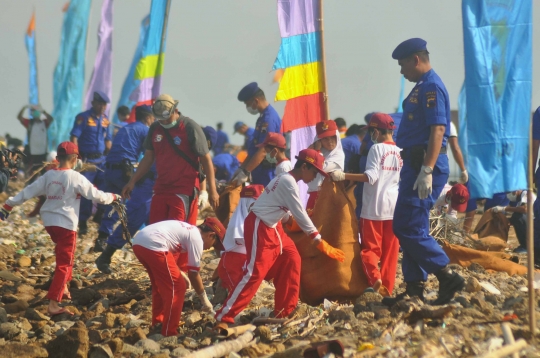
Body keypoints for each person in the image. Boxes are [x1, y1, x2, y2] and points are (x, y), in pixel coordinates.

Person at [214, 149, 346, 330]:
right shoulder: (287, 181)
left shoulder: (286, 180)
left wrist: (290, 221)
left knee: (292, 258)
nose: (314, 177)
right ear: (305, 166)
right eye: (314, 172)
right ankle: (224, 316)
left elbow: (279, 208)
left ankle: (284, 311)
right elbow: (299, 213)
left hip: (273, 227)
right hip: (260, 227)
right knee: (255, 273)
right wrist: (318, 240)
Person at [384, 38, 464, 307]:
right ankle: (415, 288)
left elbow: (438, 130)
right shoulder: (422, 86)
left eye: (402, 63)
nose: (401, 70)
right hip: (415, 164)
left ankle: (446, 273)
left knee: (406, 226)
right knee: (412, 227)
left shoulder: (431, 87)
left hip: (424, 165)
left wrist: (427, 170)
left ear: (415, 59)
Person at [0, 142, 120, 316]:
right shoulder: (75, 177)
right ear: (75, 159)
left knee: (65, 255)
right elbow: (97, 196)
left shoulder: (49, 175)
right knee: (65, 263)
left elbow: (29, 191)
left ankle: (63, 287)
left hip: (50, 223)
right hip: (66, 225)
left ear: (57, 159)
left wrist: (8, 205)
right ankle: (54, 304)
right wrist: (114, 197)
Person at [331, 113, 402, 294]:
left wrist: (343, 175)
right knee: (391, 253)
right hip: (394, 208)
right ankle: (387, 287)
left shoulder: (376, 149)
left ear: (376, 131)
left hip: (374, 208)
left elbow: (370, 177)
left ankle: (375, 278)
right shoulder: (400, 151)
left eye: (371, 131)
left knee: (370, 250)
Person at [122, 94, 219, 225]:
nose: (164, 122)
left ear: (175, 111)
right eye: (161, 119)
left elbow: (206, 160)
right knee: (156, 230)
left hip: (184, 190)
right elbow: (148, 158)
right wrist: (132, 181)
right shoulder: (155, 128)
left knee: (178, 231)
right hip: (161, 188)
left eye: (166, 118)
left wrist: (211, 191)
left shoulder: (190, 127)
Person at [132, 217, 225, 336]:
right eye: (214, 244)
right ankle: (169, 332)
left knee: (160, 285)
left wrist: (178, 271)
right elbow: (193, 273)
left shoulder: (189, 230)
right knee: (178, 287)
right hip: (154, 244)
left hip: (139, 242)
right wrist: (204, 299)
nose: (209, 248)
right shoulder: (197, 238)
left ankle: (158, 323)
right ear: (211, 235)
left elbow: (168, 252)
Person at [93, 105, 155, 252]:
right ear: (147, 118)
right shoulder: (146, 130)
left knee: (115, 203)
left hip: (110, 169)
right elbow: (149, 156)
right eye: (153, 118)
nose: (154, 121)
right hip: (124, 171)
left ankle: (102, 238)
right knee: (140, 202)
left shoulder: (125, 128)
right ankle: (145, 235)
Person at [95, 164, 157, 274]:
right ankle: (106, 256)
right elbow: (148, 157)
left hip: (170, 186)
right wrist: (132, 181)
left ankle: (159, 268)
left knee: (158, 225)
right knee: (133, 219)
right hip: (149, 183)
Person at [70, 91, 112, 235]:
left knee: (106, 187)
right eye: (100, 103)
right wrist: (75, 157)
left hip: (102, 161)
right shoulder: (83, 118)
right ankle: (83, 222)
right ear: (93, 103)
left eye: (104, 104)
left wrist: (111, 154)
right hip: (87, 161)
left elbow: (108, 141)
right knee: (86, 193)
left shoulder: (106, 119)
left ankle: (100, 214)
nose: (102, 107)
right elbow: (74, 136)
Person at [231, 83, 282, 187]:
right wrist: (242, 168)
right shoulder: (261, 118)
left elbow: (264, 150)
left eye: (248, 104)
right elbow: (254, 149)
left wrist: (245, 172)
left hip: (267, 172)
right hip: (258, 170)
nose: (247, 107)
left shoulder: (269, 119)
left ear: (256, 100)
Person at [217, 184, 264, 291]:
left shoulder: (256, 219)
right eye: (254, 203)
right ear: (245, 203)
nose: (257, 207)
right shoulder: (236, 224)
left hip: (247, 264)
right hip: (234, 264)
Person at [306, 120, 345, 210]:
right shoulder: (318, 152)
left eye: (332, 137)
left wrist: (317, 152)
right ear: (319, 140)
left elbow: (321, 167)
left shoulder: (338, 154)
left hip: (329, 197)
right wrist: (310, 151)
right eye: (325, 139)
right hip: (313, 195)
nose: (330, 141)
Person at [17, 104, 54, 177]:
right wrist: (24, 108)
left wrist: (43, 111)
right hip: (33, 154)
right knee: (32, 174)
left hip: (43, 153)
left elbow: (51, 119)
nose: (36, 113)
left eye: (37, 111)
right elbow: (19, 117)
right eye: (34, 111)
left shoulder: (44, 123)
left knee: (44, 172)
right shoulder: (30, 123)